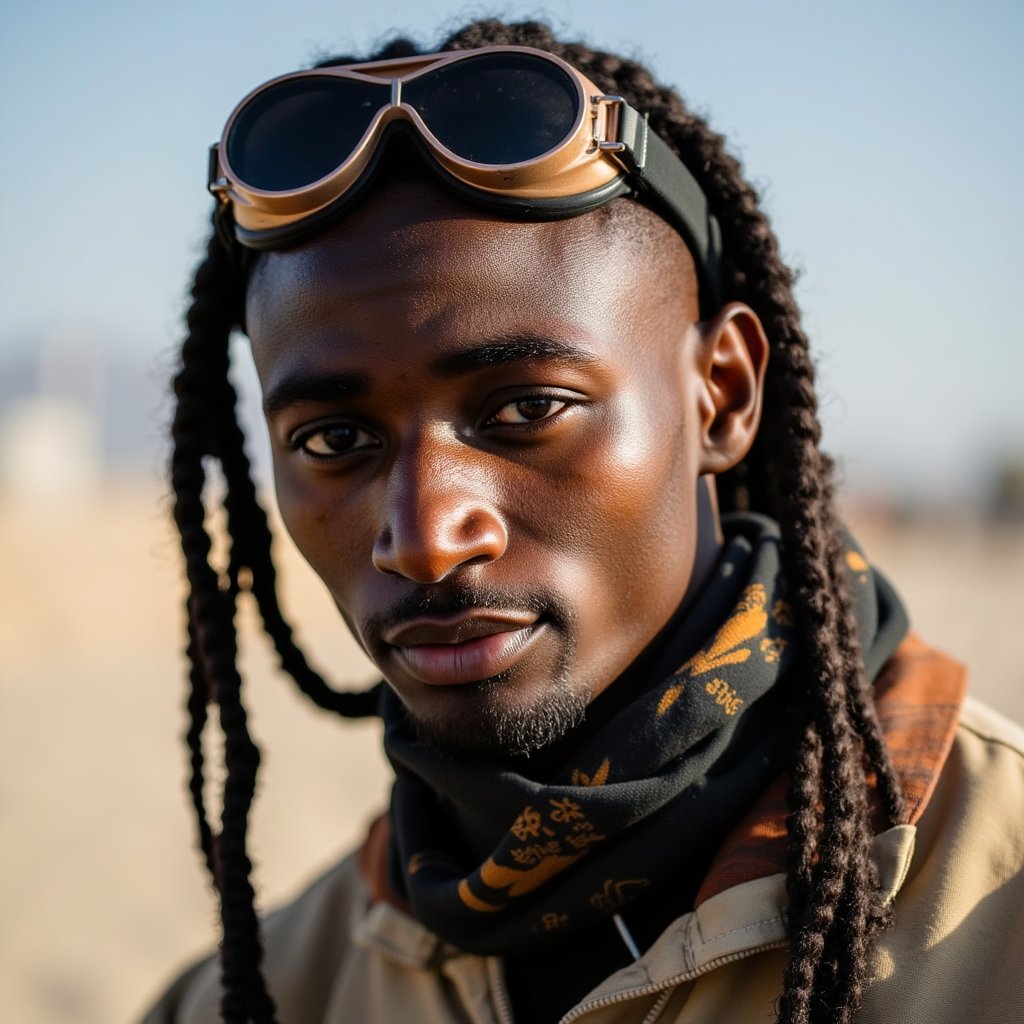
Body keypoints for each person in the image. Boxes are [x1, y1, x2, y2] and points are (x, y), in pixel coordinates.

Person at [144, 17, 1024, 1024]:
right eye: (335, 440)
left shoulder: (995, 911)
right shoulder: (269, 988)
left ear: (723, 395)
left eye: (527, 410)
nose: (427, 535)